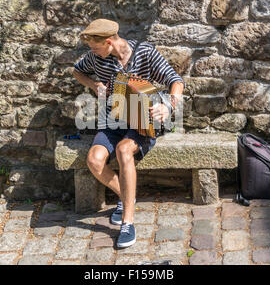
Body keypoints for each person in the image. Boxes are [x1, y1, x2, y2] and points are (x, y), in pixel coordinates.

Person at [72, 18, 185, 248]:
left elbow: (176, 81)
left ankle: (127, 223)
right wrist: (94, 86)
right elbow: (77, 71)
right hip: (112, 121)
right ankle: (127, 197)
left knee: (125, 150)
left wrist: (169, 106)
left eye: (95, 47)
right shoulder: (96, 58)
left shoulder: (145, 53)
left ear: (110, 41)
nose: (92, 53)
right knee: (94, 160)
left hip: (142, 122)